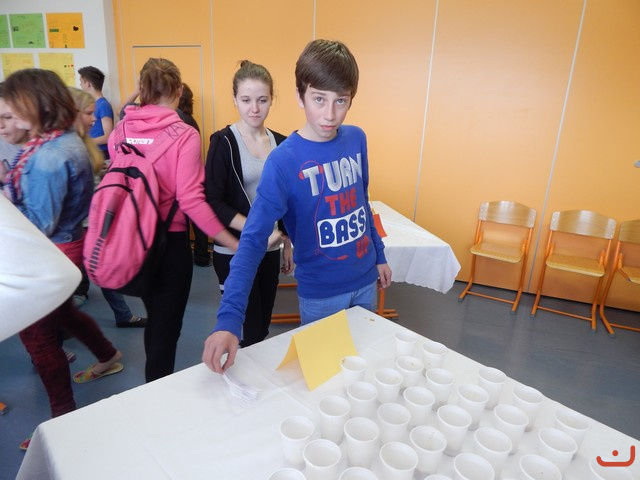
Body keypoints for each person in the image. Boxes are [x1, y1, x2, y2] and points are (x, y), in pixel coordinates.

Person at [202, 40, 392, 373]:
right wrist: (229, 319)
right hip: (321, 294)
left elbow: (362, 202)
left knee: (363, 372)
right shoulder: (283, 161)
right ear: (299, 96)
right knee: (325, 379)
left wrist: (379, 254)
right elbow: (253, 240)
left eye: (341, 100)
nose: (329, 114)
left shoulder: (356, 139)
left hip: (365, 283)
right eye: (319, 99)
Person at [2, 69, 124, 449]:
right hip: (60, 249)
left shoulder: (51, 156)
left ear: (36, 105)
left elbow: (39, 223)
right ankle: (108, 354)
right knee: (65, 315)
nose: (7, 121)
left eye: (12, 112)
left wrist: (5, 197)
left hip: (49, 252)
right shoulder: (55, 143)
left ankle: (62, 419)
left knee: (39, 341)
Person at [115, 58, 238, 382]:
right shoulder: (184, 134)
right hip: (168, 245)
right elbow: (191, 201)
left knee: (155, 319)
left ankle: (153, 382)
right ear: (179, 90)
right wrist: (232, 242)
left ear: (142, 89)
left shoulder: (121, 129)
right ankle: (156, 392)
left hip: (131, 239)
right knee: (165, 329)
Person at [204, 60, 292, 347]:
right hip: (235, 249)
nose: (254, 108)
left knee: (262, 325)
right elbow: (214, 200)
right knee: (246, 329)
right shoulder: (223, 142)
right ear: (234, 99)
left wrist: (286, 243)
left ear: (271, 100)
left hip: (271, 249)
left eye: (262, 100)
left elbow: (287, 199)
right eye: (246, 100)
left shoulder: (282, 143)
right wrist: (258, 231)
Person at [68, 87, 147, 328]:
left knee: (101, 267)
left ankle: (122, 315)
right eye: (88, 113)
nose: (94, 119)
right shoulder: (71, 148)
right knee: (86, 271)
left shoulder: (83, 143)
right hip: (80, 225)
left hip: (90, 221)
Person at [176, 83, 211, 266]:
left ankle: (194, 257)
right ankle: (201, 256)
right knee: (197, 221)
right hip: (196, 176)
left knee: (184, 220)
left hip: (186, 178)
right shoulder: (190, 120)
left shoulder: (180, 120)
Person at [78, 66, 114, 161]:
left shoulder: (103, 105)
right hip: (93, 151)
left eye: (81, 82)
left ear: (88, 84)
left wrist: (86, 142)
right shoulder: (93, 104)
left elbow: (108, 136)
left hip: (102, 153)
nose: (80, 85)